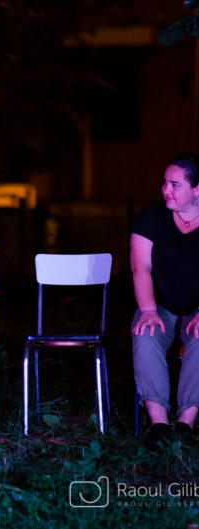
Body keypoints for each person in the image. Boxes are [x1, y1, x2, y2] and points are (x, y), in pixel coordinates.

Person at [131, 151, 199, 450]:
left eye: (175, 185)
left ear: (197, 189)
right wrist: (147, 310)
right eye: (164, 183)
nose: (165, 190)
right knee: (144, 332)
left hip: (197, 308)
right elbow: (140, 266)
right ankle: (158, 423)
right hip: (161, 304)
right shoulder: (151, 217)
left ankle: (186, 422)